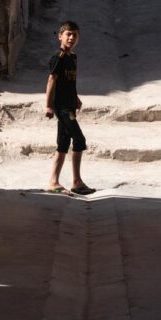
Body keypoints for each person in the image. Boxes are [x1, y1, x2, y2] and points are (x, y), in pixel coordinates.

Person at [45, 20, 94, 195]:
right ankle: (77, 181)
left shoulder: (72, 57)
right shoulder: (58, 57)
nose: (71, 38)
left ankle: (53, 182)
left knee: (63, 144)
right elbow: (52, 81)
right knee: (79, 140)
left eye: (75, 35)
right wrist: (48, 106)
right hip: (62, 107)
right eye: (68, 34)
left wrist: (76, 98)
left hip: (70, 105)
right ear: (60, 36)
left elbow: (69, 82)